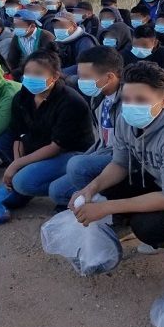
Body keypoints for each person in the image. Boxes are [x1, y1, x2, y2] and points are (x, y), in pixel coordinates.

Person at [71, 61, 164, 251]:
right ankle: (127, 222)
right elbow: (119, 163)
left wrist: (106, 208)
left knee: (146, 226)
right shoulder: (125, 119)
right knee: (103, 181)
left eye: (141, 100)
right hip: (161, 180)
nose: (131, 106)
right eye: (126, 99)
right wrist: (90, 189)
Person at [4, 50, 95, 206]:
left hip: (72, 153)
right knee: (19, 177)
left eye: (38, 74)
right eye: (28, 73)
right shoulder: (22, 96)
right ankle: (31, 184)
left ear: (55, 76)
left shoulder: (70, 101)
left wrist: (16, 165)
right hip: (41, 146)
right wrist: (18, 164)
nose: (31, 78)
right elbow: (18, 135)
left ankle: (72, 191)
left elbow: (56, 146)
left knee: (25, 183)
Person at [49, 46, 123, 207]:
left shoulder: (130, 101)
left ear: (109, 77)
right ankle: (89, 198)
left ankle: (106, 206)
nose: (80, 81)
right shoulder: (98, 96)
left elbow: (129, 150)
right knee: (56, 191)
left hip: (122, 159)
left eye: (86, 77)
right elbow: (103, 138)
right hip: (104, 151)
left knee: (77, 165)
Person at [7, 10, 56, 74]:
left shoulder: (46, 36)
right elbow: (12, 59)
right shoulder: (16, 37)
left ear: (32, 26)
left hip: (45, 69)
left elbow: (50, 59)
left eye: (20, 25)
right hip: (26, 69)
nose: (17, 28)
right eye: (15, 25)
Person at [53, 11, 98, 76]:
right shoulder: (56, 41)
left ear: (74, 26)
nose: (58, 29)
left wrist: (60, 73)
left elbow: (84, 64)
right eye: (55, 27)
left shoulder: (85, 41)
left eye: (62, 26)